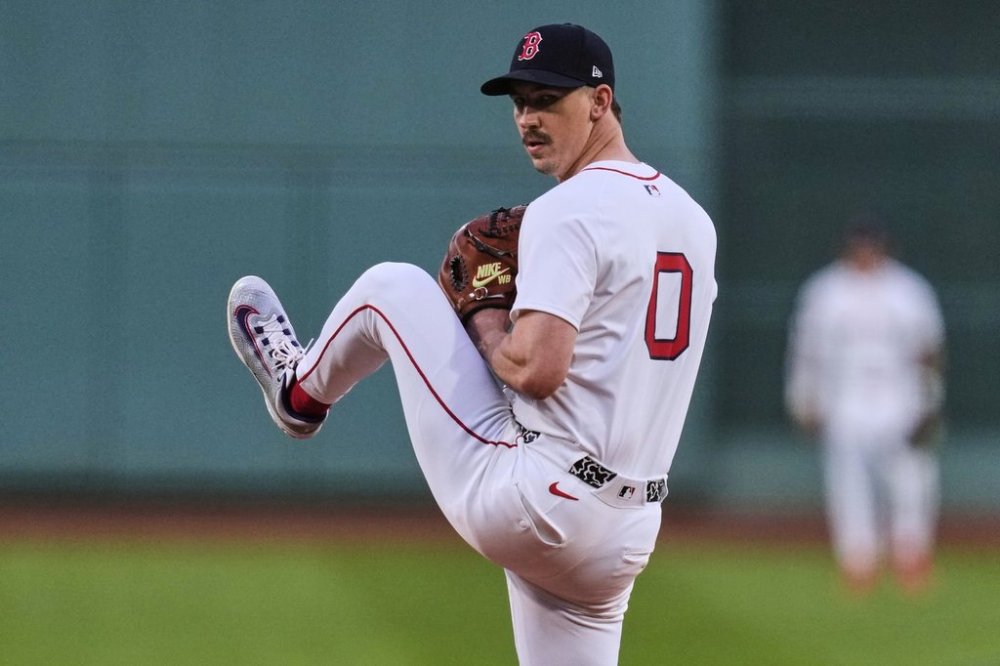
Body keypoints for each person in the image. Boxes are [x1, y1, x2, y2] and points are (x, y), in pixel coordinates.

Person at [227, 23, 717, 664]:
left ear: (600, 102)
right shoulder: (693, 220)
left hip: (538, 501)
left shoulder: (567, 210)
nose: (527, 118)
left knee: (393, 289)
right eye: (519, 101)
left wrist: (484, 314)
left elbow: (536, 370)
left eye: (547, 99)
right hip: (626, 533)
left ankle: (299, 391)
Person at [785, 219, 946, 596]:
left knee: (911, 480)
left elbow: (929, 352)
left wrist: (930, 400)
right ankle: (858, 560)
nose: (866, 253)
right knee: (849, 483)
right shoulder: (825, 290)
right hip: (846, 395)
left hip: (900, 393)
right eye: (860, 246)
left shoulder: (908, 289)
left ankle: (912, 555)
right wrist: (804, 397)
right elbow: (807, 352)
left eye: (872, 246)